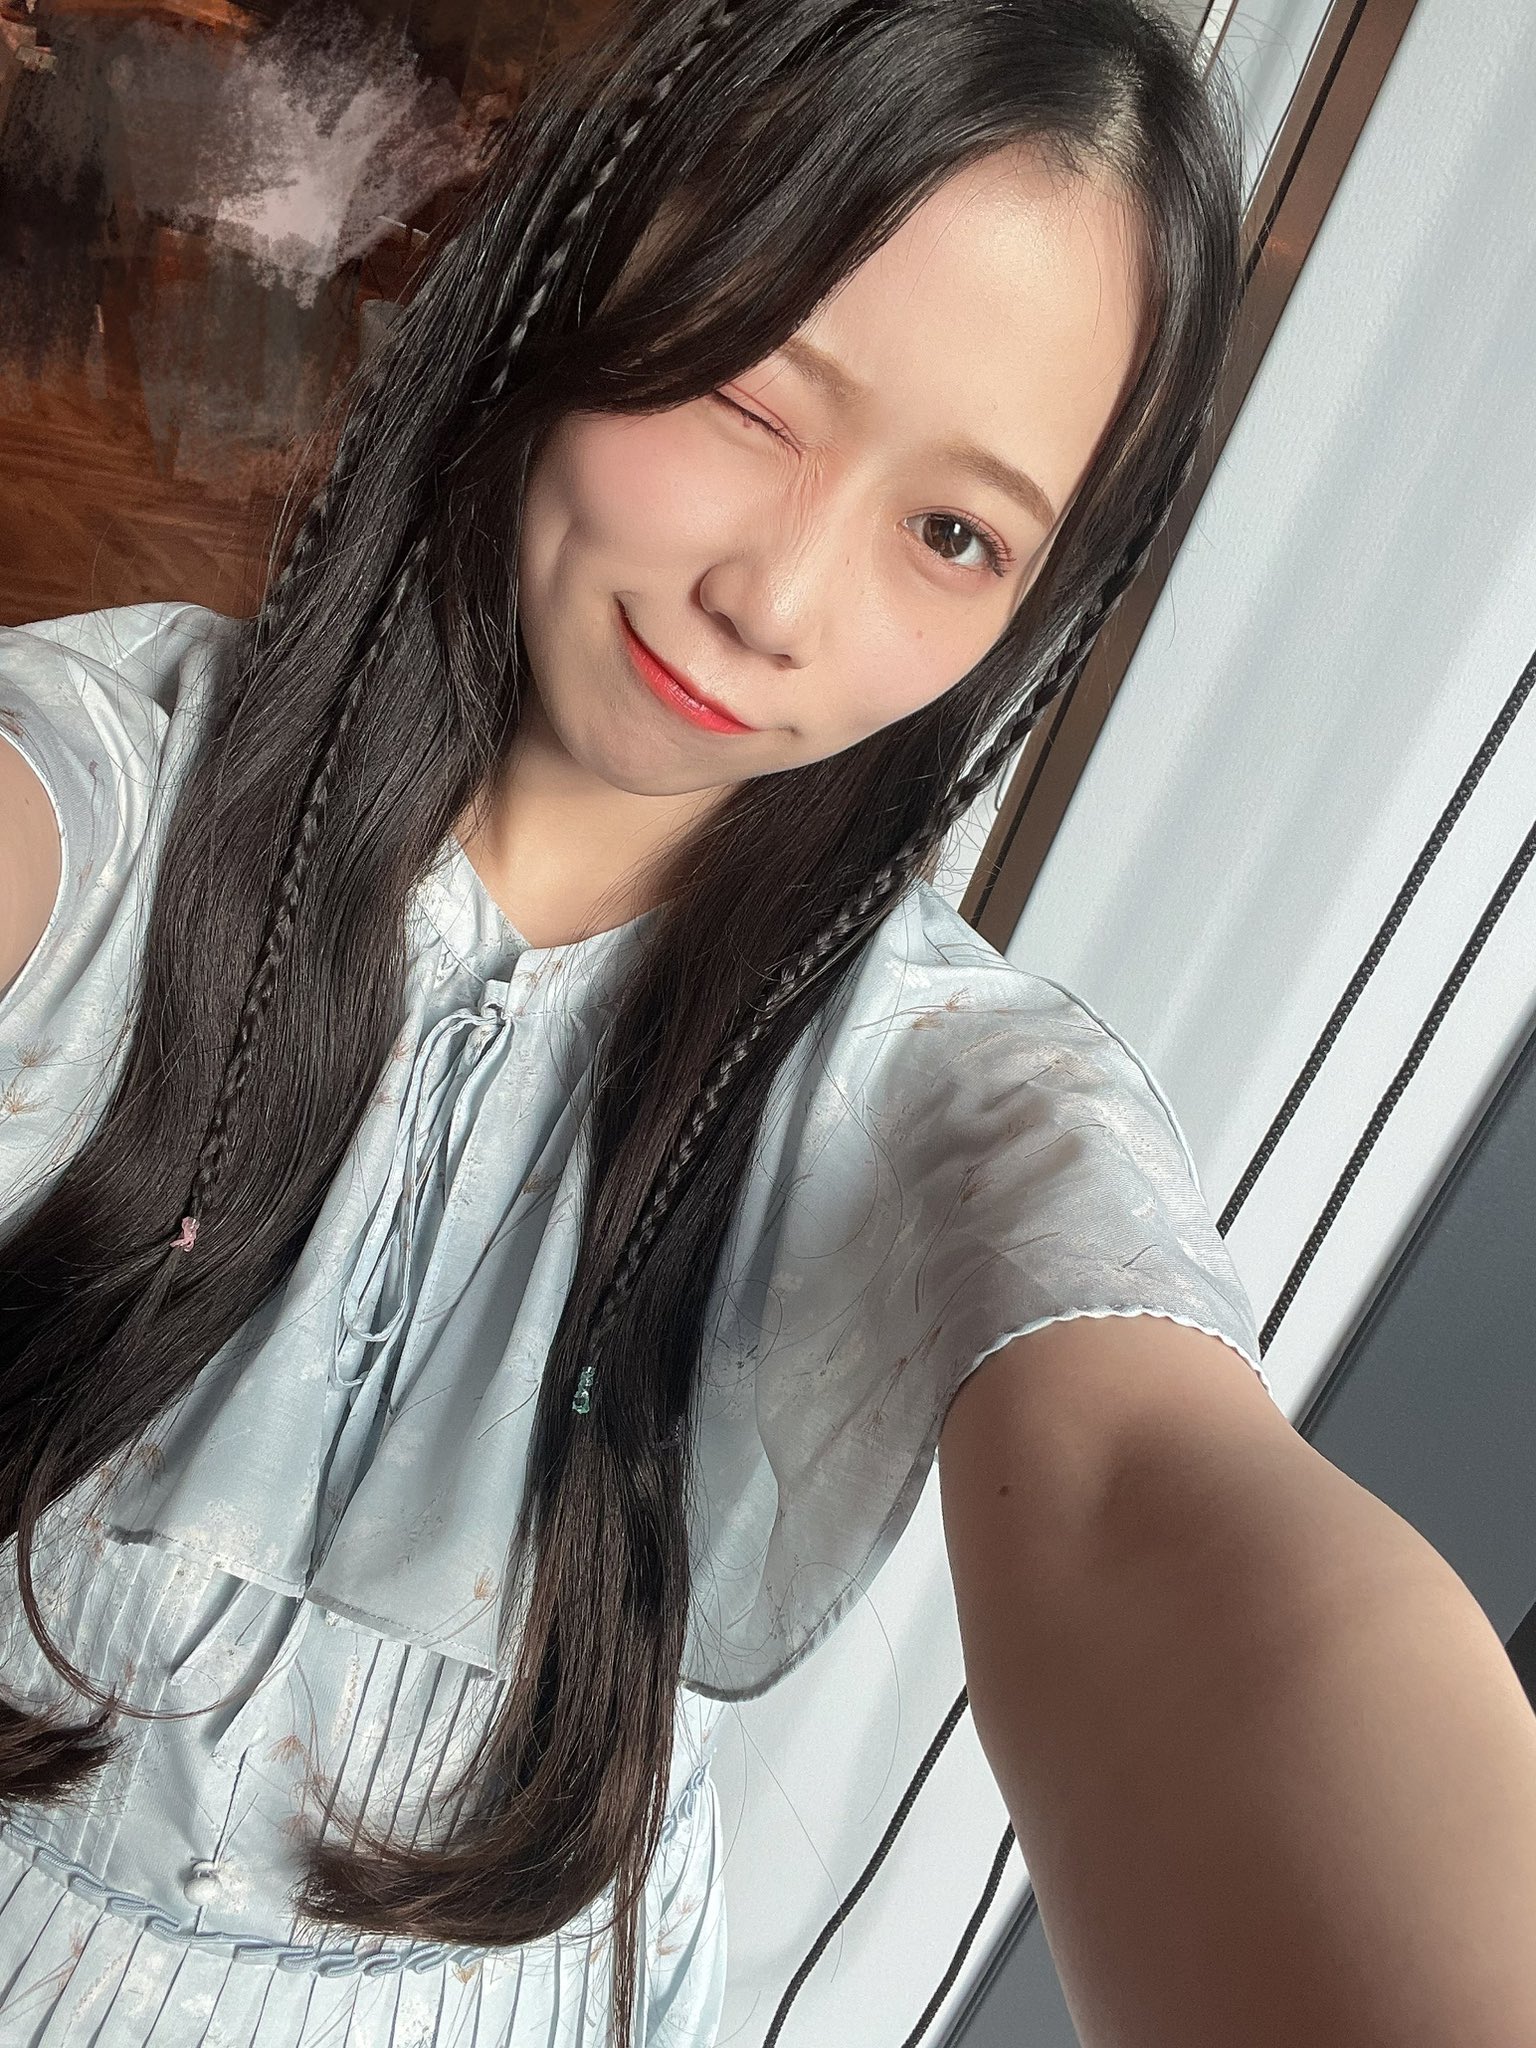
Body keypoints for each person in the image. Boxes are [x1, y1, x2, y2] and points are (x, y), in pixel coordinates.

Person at [7, 2, 1536, 2045]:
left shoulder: (942, 1087)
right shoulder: (123, 794)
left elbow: (1138, 1500)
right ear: (575, 272)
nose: (782, 604)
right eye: (751, 396)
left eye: (955, 533)